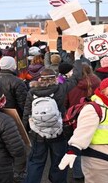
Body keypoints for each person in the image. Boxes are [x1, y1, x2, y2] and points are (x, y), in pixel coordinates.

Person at [59, 78, 108, 183]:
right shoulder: (94, 108)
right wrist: (72, 151)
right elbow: (83, 132)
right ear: (103, 91)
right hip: (101, 163)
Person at [22, 52, 82, 183]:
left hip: (38, 133)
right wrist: (77, 58)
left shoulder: (32, 92)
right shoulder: (61, 88)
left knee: (35, 162)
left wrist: (25, 130)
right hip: (58, 131)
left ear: (40, 79)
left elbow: (27, 111)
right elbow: (77, 77)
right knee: (59, 161)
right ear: (54, 78)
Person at [64, 63, 101, 181]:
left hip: (75, 117)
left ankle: (78, 173)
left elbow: (65, 103)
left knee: (77, 144)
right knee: (93, 143)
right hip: (94, 115)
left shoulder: (70, 84)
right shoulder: (98, 82)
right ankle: (91, 171)